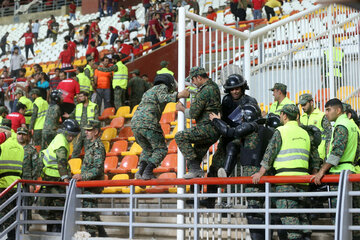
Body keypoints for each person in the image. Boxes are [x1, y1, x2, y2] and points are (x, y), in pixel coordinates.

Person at [252, 104, 321, 240]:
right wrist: (314, 172)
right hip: (304, 182)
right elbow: (315, 157)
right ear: (296, 116)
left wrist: (260, 173)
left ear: (284, 115)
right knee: (303, 217)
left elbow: (270, 153)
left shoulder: (281, 131)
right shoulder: (305, 133)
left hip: (284, 182)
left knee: (290, 219)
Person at [210, 104, 275, 238]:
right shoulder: (268, 130)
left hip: (253, 177)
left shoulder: (251, 128)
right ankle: (225, 174)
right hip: (269, 176)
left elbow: (229, 132)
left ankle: (225, 175)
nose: (241, 121)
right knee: (269, 214)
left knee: (254, 214)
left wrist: (216, 120)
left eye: (243, 118)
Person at [132, 74, 188, 180]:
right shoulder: (162, 87)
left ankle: (140, 172)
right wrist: (180, 95)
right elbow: (163, 98)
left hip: (135, 123)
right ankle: (148, 172)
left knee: (147, 149)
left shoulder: (149, 91)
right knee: (161, 149)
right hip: (148, 122)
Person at [175, 67, 221, 179]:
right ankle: (194, 190)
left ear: (199, 77)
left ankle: (196, 171)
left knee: (180, 136)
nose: (193, 83)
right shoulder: (213, 87)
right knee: (192, 163)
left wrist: (181, 108)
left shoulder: (205, 90)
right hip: (213, 130)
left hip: (206, 129)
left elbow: (193, 113)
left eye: (193, 80)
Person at [35, 119, 80, 233]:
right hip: (54, 177)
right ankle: (57, 231)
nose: (72, 138)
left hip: (48, 175)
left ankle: (52, 230)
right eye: (71, 135)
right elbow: (61, 163)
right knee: (60, 205)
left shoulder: (59, 137)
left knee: (51, 205)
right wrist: (66, 180)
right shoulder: (62, 144)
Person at [212, 74, 260, 177]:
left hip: (242, 137)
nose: (235, 91)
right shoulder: (226, 100)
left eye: (237, 88)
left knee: (232, 147)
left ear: (242, 88)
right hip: (226, 136)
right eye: (232, 89)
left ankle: (226, 173)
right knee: (214, 167)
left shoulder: (250, 101)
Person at [72, 120, 108, 237]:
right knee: (91, 211)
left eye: (89, 130)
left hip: (93, 184)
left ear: (96, 132)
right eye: (86, 130)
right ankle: (103, 235)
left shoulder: (98, 147)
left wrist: (83, 176)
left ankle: (91, 236)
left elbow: (97, 169)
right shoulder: (90, 145)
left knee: (89, 213)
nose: (86, 132)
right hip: (88, 184)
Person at [0, 123, 24, 240]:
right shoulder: (19, 146)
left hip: (3, 183)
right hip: (16, 184)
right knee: (13, 214)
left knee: (2, 212)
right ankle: (12, 237)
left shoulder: (2, 144)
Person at [64, 91, 99, 158]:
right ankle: (73, 165)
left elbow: (96, 120)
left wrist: (95, 131)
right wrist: (68, 116)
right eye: (79, 97)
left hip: (88, 132)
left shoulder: (94, 106)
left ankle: (87, 166)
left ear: (86, 97)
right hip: (79, 132)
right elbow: (73, 114)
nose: (79, 98)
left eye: (81, 96)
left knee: (88, 150)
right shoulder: (78, 106)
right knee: (75, 150)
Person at [299, 93, 332, 160]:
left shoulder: (322, 116)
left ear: (311, 102)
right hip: (306, 156)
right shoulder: (301, 118)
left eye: (304, 104)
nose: (302, 107)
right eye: (301, 105)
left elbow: (329, 137)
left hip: (319, 156)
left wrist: (326, 156)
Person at [17, 126, 38, 225]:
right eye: (19, 134)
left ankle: (26, 226)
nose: (21, 136)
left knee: (27, 205)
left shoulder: (31, 150)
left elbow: (36, 167)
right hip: (14, 181)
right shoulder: (13, 147)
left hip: (27, 181)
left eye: (23, 134)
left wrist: (32, 183)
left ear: (27, 136)